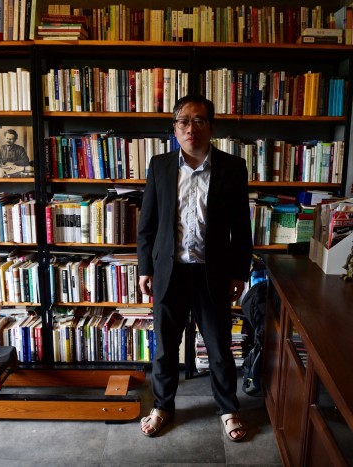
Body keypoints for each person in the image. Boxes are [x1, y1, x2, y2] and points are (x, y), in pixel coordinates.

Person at [137, 94, 253, 441]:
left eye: (199, 120)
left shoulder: (233, 167)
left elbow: (241, 227)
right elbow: (147, 224)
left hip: (211, 273)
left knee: (218, 347)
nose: (192, 128)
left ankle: (228, 408)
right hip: (169, 272)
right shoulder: (159, 166)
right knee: (165, 348)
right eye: (184, 121)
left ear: (211, 127)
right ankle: (162, 406)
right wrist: (145, 268)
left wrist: (239, 272)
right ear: (174, 128)